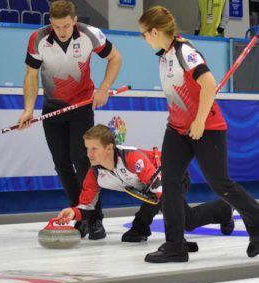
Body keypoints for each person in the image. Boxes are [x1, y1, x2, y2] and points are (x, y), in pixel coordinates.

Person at [138, 5, 259, 263]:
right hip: (177, 130)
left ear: (155, 31)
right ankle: (175, 246)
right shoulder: (165, 55)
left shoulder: (185, 52)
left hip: (208, 129)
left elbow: (209, 83)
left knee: (220, 184)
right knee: (169, 184)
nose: (143, 39)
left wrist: (200, 121)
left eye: (144, 34)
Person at [17, 1, 121, 240]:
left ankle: (95, 219)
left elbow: (115, 58)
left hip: (81, 108)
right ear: (50, 23)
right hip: (52, 110)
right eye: (56, 26)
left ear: (74, 21)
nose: (61, 31)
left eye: (65, 26)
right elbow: (31, 76)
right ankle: (79, 215)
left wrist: (104, 88)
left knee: (84, 162)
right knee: (62, 164)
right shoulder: (38, 39)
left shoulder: (90, 35)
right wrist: (28, 109)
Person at [57, 124, 234, 248]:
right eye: (87, 148)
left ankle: (224, 209)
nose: (89, 154)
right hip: (152, 189)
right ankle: (140, 227)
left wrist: (173, 239)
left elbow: (160, 193)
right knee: (146, 208)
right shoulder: (94, 173)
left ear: (110, 148)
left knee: (186, 221)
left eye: (94, 149)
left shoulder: (133, 159)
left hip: (174, 175)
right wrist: (74, 212)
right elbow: (87, 205)